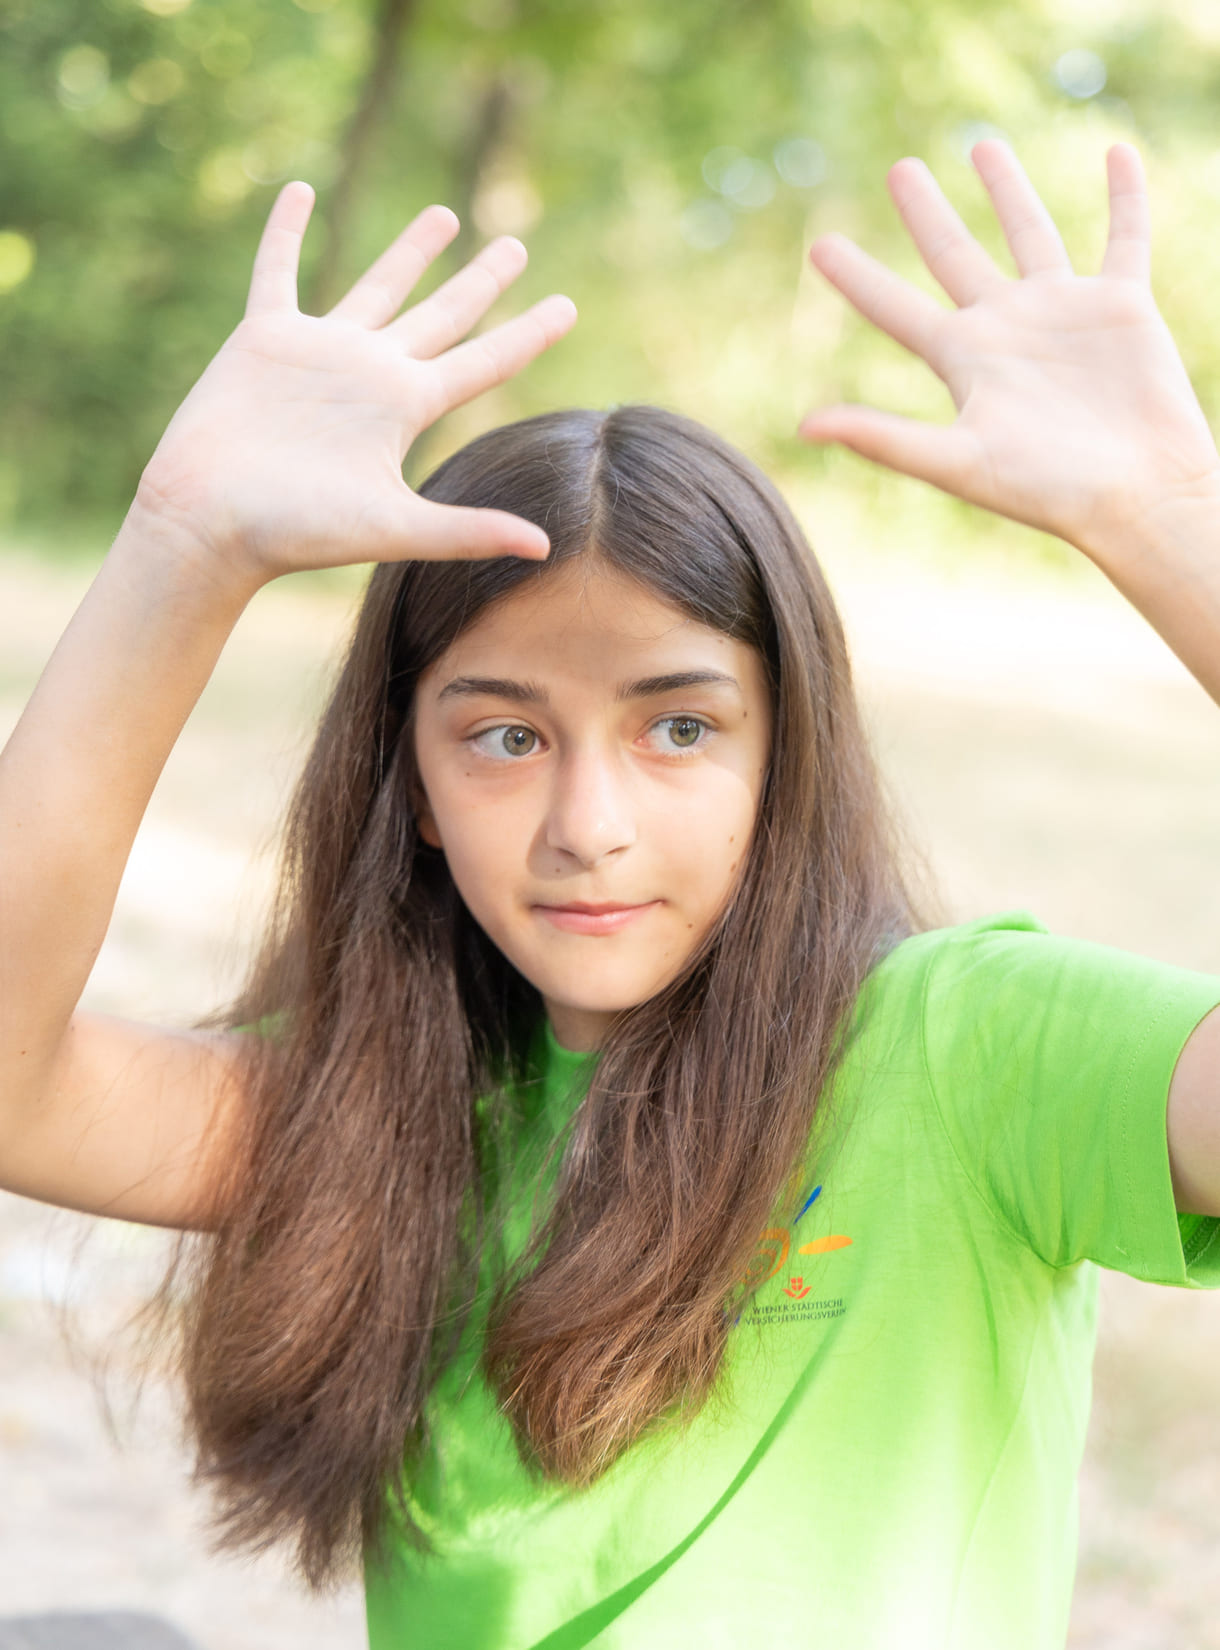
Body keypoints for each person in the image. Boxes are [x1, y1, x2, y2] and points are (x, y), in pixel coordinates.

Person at [2, 138, 1218, 1650]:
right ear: (414, 790)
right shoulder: (376, 1110)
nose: (588, 822)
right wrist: (182, 546)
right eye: (505, 736)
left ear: (791, 756)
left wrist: (1177, 525)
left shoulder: (967, 1045)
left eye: (682, 727)